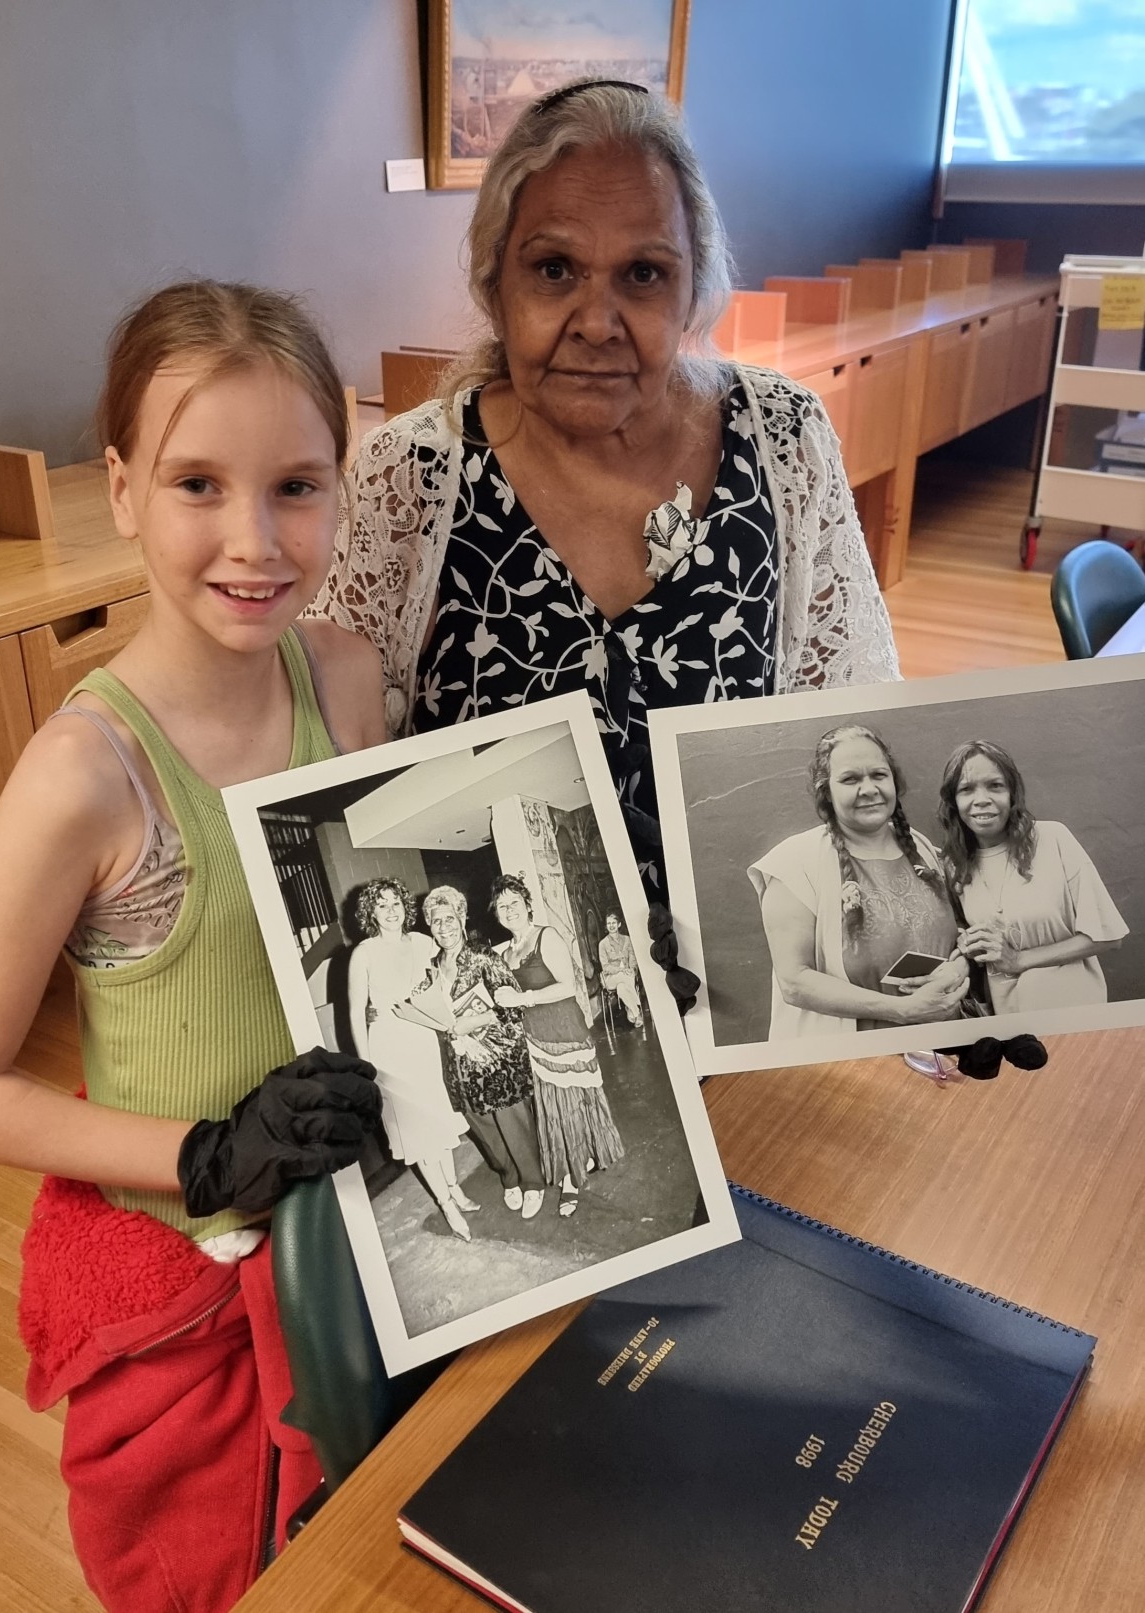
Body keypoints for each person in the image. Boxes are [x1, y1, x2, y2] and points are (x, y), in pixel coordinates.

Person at [0, 280, 388, 1613]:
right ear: (123, 489)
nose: (254, 540)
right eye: (197, 482)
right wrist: (206, 1155)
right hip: (184, 1297)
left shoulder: (350, 676)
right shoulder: (83, 775)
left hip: (360, 1245)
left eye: (298, 486)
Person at [311, 78, 899, 899]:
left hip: (743, 967)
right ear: (494, 286)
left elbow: (850, 713)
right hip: (504, 984)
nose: (597, 319)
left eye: (644, 274)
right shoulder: (413, 475)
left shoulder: (782, 436)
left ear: (694, 285)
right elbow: (338, 761)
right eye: (554, 269)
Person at [748, 725, 970, 1039]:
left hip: (941, 1048)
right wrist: (902, 1010)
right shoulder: (794, 863)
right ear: (826, 790)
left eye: (879, 775)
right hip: (850, 1063)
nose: (868, 789)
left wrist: (958, 969)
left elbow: (952, 935)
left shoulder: (919, 847)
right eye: (851, 779)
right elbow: (795, 983)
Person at [938, 741, 1127, 1014]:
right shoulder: (953, 865)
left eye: (995, 785)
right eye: (966, 789)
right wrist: (969, 944)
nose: (981, 799)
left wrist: (1019, 959)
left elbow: (1108, 937)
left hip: (1074, 1012)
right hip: (1011, 1024)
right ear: (953, 801)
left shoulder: (1054, 838)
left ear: (1012, 793)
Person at [345, 878, 476, 1241]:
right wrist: (366, 1065)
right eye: (381, 905)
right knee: (417, 1132)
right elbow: (357, 1012)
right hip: (389, 1047)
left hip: (425, 1041)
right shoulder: (364, 953)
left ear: (405, 906)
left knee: (438, 1121)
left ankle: (455, 1189)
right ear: (371, 912)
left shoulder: (422, 942)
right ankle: (446, 1204)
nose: (391, 911)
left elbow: (446, 976)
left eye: (396, 903)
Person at [489, 874, 623, 1218]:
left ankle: (571, 1181)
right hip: (533, 1037)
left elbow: (568, 986)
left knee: (569, 1103)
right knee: (552, 1106)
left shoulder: (545, 936)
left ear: (527, 905)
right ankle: (577, 1160)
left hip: (563, 1031)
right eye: (502, 906)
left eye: (514, 903)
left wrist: (523, 998)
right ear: (497, 914)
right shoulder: (505, 952)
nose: (509, 910)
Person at [420, 885, 544, 1218]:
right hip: (461, 1065)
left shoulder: (483, 957)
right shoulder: (430, 969)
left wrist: (472, 1021)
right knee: (485, 1129)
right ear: (428, 927)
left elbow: (512, 1008)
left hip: (497, 1060)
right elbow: (424, 1011)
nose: (444, 927)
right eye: (436, 921)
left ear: (462, 919)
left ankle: (533, 1182)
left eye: (450, 918)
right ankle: (510, 1177)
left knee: (513, 1125)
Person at [598, 910, 643, 1028]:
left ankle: (633, 1010)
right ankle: (638, 1007)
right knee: (625, 977)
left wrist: (632, 969)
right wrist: (621, 970)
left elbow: (632, 959)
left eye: (614, 923)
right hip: (610, 978)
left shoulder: (627, 940)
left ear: (619, 924)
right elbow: (605, 967)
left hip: (627, 976)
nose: (611, 926)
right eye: (609, 923)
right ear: (606, 926)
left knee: (621, 988)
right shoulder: (602, 944)